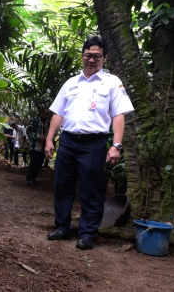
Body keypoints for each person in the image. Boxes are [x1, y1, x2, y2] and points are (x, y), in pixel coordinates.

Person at [44, 35, 134, 250]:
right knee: (62, 185)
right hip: (67, 141)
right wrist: (49, 139)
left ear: (105, 58)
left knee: (91, 189)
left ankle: (87, 233)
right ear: (82, 56)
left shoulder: (111, 82)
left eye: (96, 56)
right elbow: (58, 113)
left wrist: (116, 145)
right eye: (87, 55)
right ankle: (63, 228)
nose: (91, 60)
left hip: (94, 143)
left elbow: (118, 115)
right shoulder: (71, 83)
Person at [26, 108, 51, 184]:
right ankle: (29, 178)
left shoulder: (48, 123)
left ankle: (33, 178)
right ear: (42, 113)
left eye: (48, 115)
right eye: (45, 114)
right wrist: (38, 137)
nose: (47, 116)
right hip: (34, 145)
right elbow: (28, 131)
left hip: (44, 147)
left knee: (40, 162)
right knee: (34, 161)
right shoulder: (34, 121)